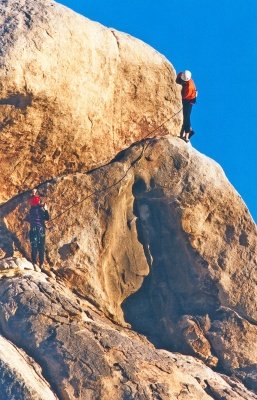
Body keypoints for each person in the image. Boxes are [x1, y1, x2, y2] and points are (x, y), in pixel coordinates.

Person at [27, 192, 49, 268]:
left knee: (34, 247)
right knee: (41, 247)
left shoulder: (31, 211)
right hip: (40, 231)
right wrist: (46, 209)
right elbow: (47, 218)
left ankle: (34, 263)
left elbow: (29, 218)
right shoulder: (40, 210)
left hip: (33, 231)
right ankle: (41, 264)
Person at [176, 70, 197, 142]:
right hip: (186, 97)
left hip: (189, 100)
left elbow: (185, 97)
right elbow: (178, 78)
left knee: (186, 117)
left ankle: (187, 136)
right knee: (186, 116)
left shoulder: (189, 87)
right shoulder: (181, 75)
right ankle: (189, 130)